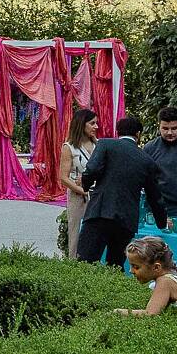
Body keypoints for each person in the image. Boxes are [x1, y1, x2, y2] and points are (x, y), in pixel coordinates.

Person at [75, 114, 168, 267]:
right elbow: (155, 197)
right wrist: (162, 223)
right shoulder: (147, 160)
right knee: (115, 266)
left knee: (85, 262)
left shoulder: (105, 144)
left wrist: (85, 184)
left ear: (118, 132)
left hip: (99, 212)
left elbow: (91, 169)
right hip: (126, 219)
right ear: (138, 134)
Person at [60, 107, 100, 254]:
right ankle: (73, 265)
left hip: (98, 195)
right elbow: (63, 177)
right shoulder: (69, 147)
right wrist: (82, 190)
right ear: (82, 124)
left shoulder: (99, 145)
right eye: (92, 123)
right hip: (78, 197)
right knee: (76, 234)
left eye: (96, 123)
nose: (96, 127)